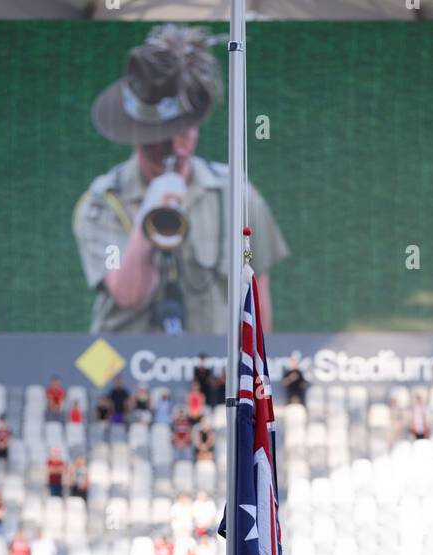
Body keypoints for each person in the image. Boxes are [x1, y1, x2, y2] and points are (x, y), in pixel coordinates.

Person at [72, 24, 288, 335]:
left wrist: (257, 378)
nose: (175, 147)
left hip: (213, 372)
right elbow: (128, 293)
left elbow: (256, 297)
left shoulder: (237, 196)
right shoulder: (102, 204)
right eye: (158, 138)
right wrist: (152, 212)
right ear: (136, 135)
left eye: (183, 131)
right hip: (126, 368)